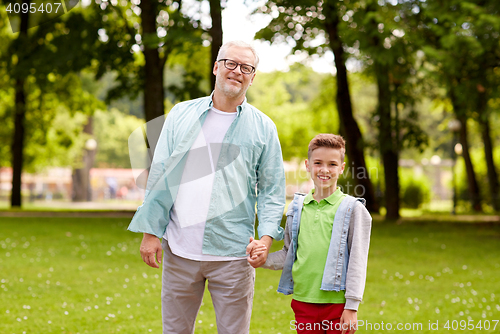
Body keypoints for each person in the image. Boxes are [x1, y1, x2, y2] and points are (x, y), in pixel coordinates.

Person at [127, 40, 286, 334]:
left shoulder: (264, 128)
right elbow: (161, 175)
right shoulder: (180, 114)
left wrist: (265, 239)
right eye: (230, 63)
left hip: (234, 255)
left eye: (246, 67)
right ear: (216, 67)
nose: (237, 71)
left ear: (253, 77)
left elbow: (272, 191)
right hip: (179, 250)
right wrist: (151, 232)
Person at [261, 134, 372, 334]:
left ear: (342, 168)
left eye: (332, 164)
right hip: (303, 301)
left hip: (337, 305)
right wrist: (262, 259)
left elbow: (358, 261)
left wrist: (352, 306)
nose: (324, 170)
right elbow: (289, 254)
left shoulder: (353, 210)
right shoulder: (296, 208)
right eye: (318, 163)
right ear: (308, 165)